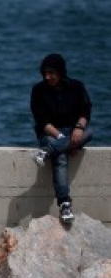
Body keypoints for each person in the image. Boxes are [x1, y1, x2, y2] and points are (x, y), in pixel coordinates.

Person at [31, 53, 94, 224]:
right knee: (60, 156)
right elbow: (42, 122)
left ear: (60, 72)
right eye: (45, 73)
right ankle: (65, 204)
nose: (47, 77)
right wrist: (64, 141)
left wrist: (79, 129)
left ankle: (46, 153)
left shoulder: (76, 87)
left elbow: (85, 112)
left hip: (73, 131)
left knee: (89, 132)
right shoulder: (38, 90)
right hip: (50, 133)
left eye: (51, 73)